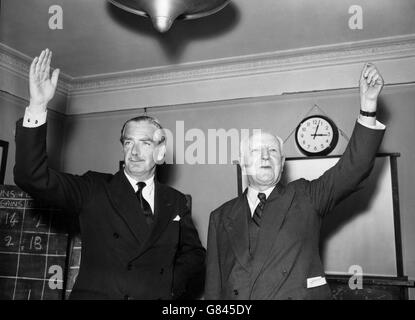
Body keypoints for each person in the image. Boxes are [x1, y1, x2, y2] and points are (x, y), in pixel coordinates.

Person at [14, 49, 206, 300]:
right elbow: (32, 177)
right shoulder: (94, 187)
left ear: (160, 153)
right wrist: (37, 106)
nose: (134, 152)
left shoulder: (176, 201)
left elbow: (194, 254)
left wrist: (169, 285)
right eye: (128, 143)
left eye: (145, 143)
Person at [205, 63, 386, 300]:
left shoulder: (306, 197)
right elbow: (214, 288)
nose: (265, 156)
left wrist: (368, 107)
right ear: (242, 163)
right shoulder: (220, 216)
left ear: (282, 164)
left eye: (272, 151)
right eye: (256, 151)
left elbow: (354, 168)